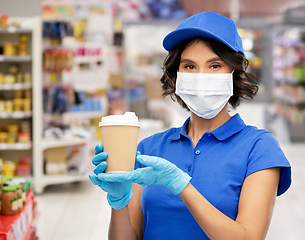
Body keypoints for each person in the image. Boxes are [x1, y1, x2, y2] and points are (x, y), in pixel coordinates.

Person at [89, 11, 291, 240]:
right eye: (190, 66)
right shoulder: (149, 149)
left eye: (214, 65)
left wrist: (180, 185)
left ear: (234, 73)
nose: (201, 76)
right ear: (176, 75)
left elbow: (248, 237)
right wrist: (119, 203)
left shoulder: (259, 148)